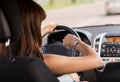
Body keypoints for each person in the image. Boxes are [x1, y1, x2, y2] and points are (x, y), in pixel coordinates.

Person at [0, 0, 102, 82]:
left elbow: (23, 37)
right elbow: (96, 60)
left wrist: (44, 30)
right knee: (73, 75)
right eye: (38, 25)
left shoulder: (5, 60)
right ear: (32, 30)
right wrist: (75, 42)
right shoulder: (40, 62)